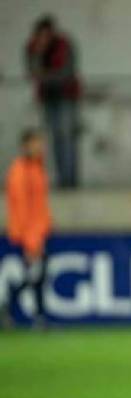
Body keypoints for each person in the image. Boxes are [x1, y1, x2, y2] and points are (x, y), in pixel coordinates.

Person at [2, 128, 52, 328]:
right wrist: (31, 239)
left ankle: (14, 310)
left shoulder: (37, 168)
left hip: (38, 232)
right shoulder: (19, 172)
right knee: (34, 274)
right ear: (25, 146)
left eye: (40, 143)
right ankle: (12, 308)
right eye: (35, 143)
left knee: (36, 274)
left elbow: (40, 205)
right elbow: (22, 208)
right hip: (27, 235)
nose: (39, 147)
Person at [25, 15, 81, 189]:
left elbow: (66, 73)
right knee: (54, 139)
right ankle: (61, 180)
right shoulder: (33, 47)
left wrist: (45, 76)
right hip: (47, 98)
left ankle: (70, 180)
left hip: (66, 97)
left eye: (46, 35)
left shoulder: (64, 45)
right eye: (40, 35)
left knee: (67, 138)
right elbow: (32, 72)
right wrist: (39, 53)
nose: (44, 39)